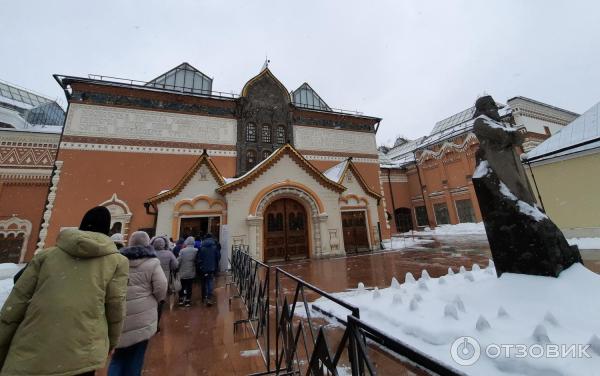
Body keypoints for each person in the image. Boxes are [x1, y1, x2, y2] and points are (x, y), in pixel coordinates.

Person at [0, 206, 129, 376]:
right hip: (82, 349)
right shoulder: (116, 261)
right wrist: (112, 342)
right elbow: (115, 306)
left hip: (34, 345)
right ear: (108, 229)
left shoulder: (47, 256)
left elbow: (17, 300)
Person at [108, 231, 167, 376]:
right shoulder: (152, 262)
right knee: (136, 357)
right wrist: (156, 299)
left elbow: (109, 286)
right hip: (142, 316)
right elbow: (161, 287)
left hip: (119, 315)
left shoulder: (117, 260)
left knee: (118, 357)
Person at [151, 236, 178, 328]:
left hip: (151, 280)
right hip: (164, 279)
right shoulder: (169, 253)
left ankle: (150, 322)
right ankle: (156, 324)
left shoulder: (151, 253)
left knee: (151, 300)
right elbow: (175, 265)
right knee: (160, 301)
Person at [197, 233, 221, 306]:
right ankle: (209, 297)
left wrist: (200, 265)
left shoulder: (202, 247)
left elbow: (199, 257)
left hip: (203, 267)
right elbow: (218, 256)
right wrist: (216, 264)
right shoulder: (214, 246)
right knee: (210, 281)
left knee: (204, 281)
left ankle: (204, 296)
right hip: (212, 266)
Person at [176, 236, 197, 307]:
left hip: (182, 271)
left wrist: (177, 268)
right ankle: (188, 300)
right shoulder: (196, 250)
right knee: (189, 287)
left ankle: (181, 300)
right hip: (191, 271)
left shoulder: (182, 250)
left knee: (181, 286)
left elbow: (178, 261)